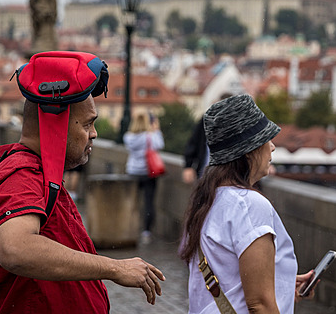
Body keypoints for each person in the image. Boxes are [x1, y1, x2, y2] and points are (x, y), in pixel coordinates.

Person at [0, 51, 164, 313]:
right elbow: (15, 248)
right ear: (57, 121)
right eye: (87, 124)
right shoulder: (22, 174)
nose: (94, 134)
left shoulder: (41, 172)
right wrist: (115, 268)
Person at [179, 94, 314, 313]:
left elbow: (228, 275)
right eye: (266, 139)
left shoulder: (209, 198)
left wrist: (283, 283)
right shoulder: (250, 205)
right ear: (249, 150)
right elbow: (259, 305)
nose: (272, 147)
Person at [124, 112, 165, 242]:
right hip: (148, 173)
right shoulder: (150, 136)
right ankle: (146, 231)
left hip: (133, 171)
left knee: (132, 201)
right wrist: (157, 130)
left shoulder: (128, 137)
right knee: (148, 202)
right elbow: (160, 145)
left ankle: (130, 226)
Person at [182, 93, 233, 184]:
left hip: (226, 179)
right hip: (204, 175)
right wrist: (188, 165)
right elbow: (193, 142)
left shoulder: (237, 127)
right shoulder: (206, 121)